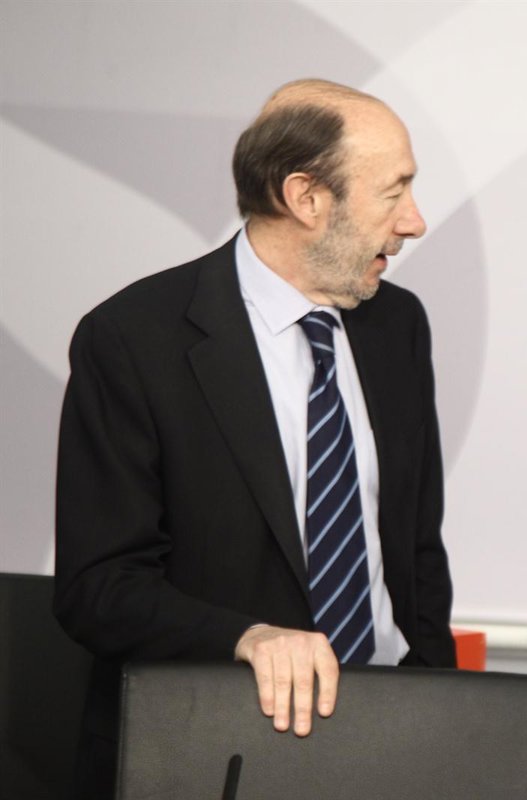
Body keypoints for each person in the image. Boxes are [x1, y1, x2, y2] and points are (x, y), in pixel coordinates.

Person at [54, 79, 455, 797]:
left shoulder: (399, 326)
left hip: (388, 742)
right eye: (393, 192)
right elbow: (99, 588)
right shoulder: (134, 340)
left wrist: (437, 715)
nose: (415, 221)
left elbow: (416, 552)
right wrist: (247, 638)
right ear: (306, 198)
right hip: (212, 752)